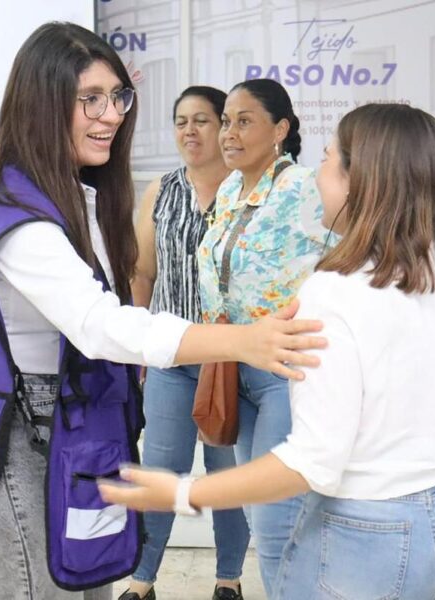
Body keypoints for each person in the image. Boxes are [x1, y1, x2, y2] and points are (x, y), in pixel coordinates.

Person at [0, 23, 325, 600]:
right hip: (11, 437)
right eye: (90, 100)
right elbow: (101, 324)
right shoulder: (16, 207)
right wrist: (240, 341)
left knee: (90, 579)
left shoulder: (71, 188)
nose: (111, 114)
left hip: (73, 422)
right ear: (41, 103)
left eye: (117, 97)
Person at [100, 103, 435, 600]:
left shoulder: (334, 294)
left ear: (361, 183)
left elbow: (310, 464)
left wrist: (184, 492)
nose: (315, 173)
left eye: (327, 157)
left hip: (366, 540)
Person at [194, 78, 330, 596]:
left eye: (243, 121)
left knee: (275, 517)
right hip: (235, 366)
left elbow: (352, 254)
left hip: (283, 371)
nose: (228, 132)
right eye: (226, 121)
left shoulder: (302, 188)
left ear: (281, 130)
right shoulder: (231, 187)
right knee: (262, 512)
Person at [123, 86, 250, 600]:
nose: (189, 131)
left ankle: (228, 581)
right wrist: (135, 346)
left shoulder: (251, 193)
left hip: (230, 361)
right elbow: (142, 273)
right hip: (171, 356)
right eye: (180, 121)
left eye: (202, 120)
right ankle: (141, 580)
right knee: (160, 470)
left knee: (228, 478)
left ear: (225, 128)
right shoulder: (161, 191)